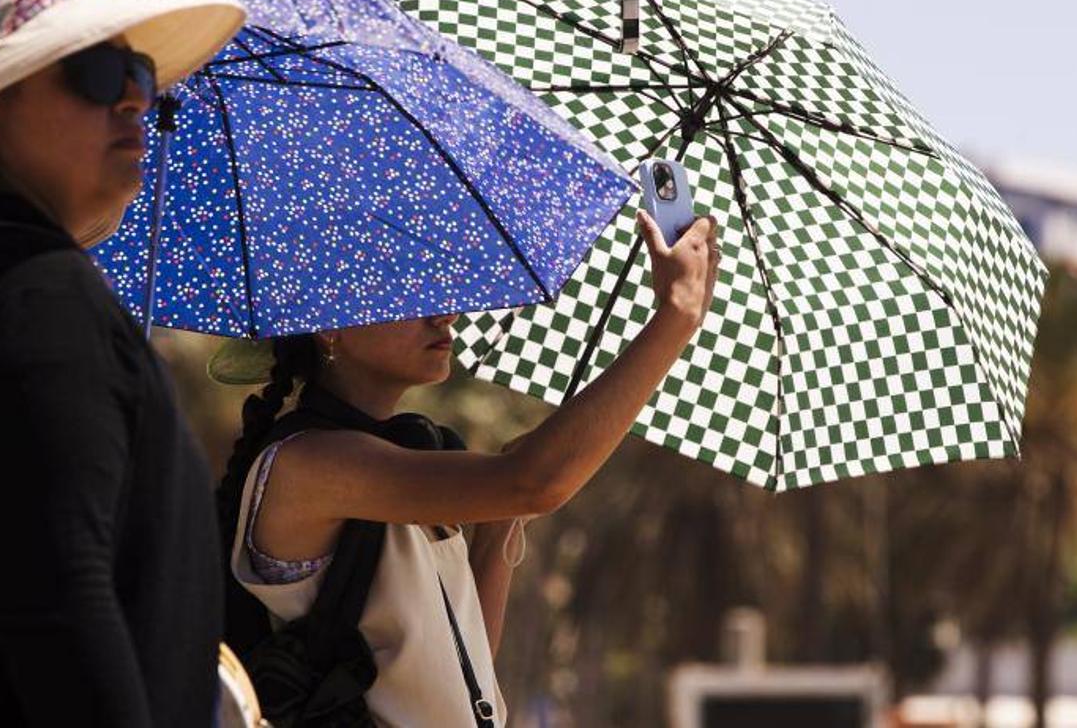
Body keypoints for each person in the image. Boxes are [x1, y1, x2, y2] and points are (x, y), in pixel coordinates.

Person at [0, 0, 245, 725]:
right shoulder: (34, 294)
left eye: (142, 77)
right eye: (96, 72)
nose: (134, 100)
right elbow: (56, 594)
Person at [214, 207, 720, 726]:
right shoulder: (310, 462)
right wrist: (675, 317)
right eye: (412, 292)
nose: (444, 314)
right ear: (330, 327)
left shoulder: (412, 453)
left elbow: (466, 661)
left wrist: (502, 514)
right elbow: (535, 483)